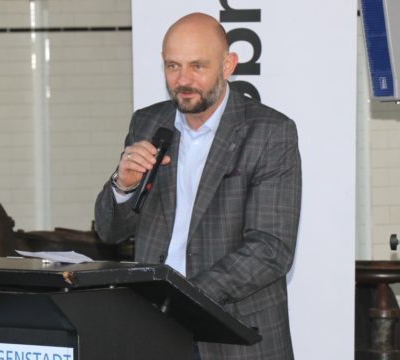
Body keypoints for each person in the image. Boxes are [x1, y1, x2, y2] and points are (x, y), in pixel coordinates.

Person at [94, 12, 301, 360]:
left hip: (233, 331)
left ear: (228, 65)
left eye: (197, 66)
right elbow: (109, 232)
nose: (183, 80)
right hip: (154, 329)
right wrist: (123, 186)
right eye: (172, 66)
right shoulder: (147, 122)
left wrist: (182, 297)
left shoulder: (269, 132)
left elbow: (271, 249)